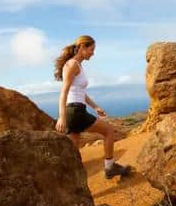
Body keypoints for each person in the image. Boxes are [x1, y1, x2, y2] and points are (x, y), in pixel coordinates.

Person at [54, 35, 131, 179]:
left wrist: (95, 107)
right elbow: (63, 92)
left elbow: (80, 92)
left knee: (73, 151)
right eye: (91, 49)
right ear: (82, 47)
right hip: (75, 112)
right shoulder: (72, 65)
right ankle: (110, 167)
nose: (93, 53)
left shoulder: (77, 65)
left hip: (75, 110)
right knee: (108, 131)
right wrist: (62, 117)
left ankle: (70, 181)